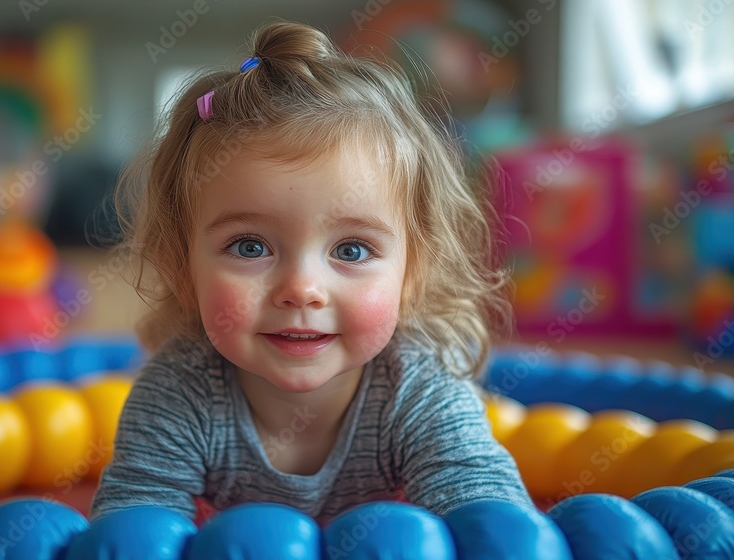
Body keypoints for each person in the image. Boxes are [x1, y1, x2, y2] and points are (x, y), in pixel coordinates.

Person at [90, 20, 530, 525]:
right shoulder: (179, 392)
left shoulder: (419, 389)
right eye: (249, 246)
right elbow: (129, 529)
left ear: (414, 272)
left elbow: (492, 519)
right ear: (181, 266)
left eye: (352, 250)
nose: (301, 289)